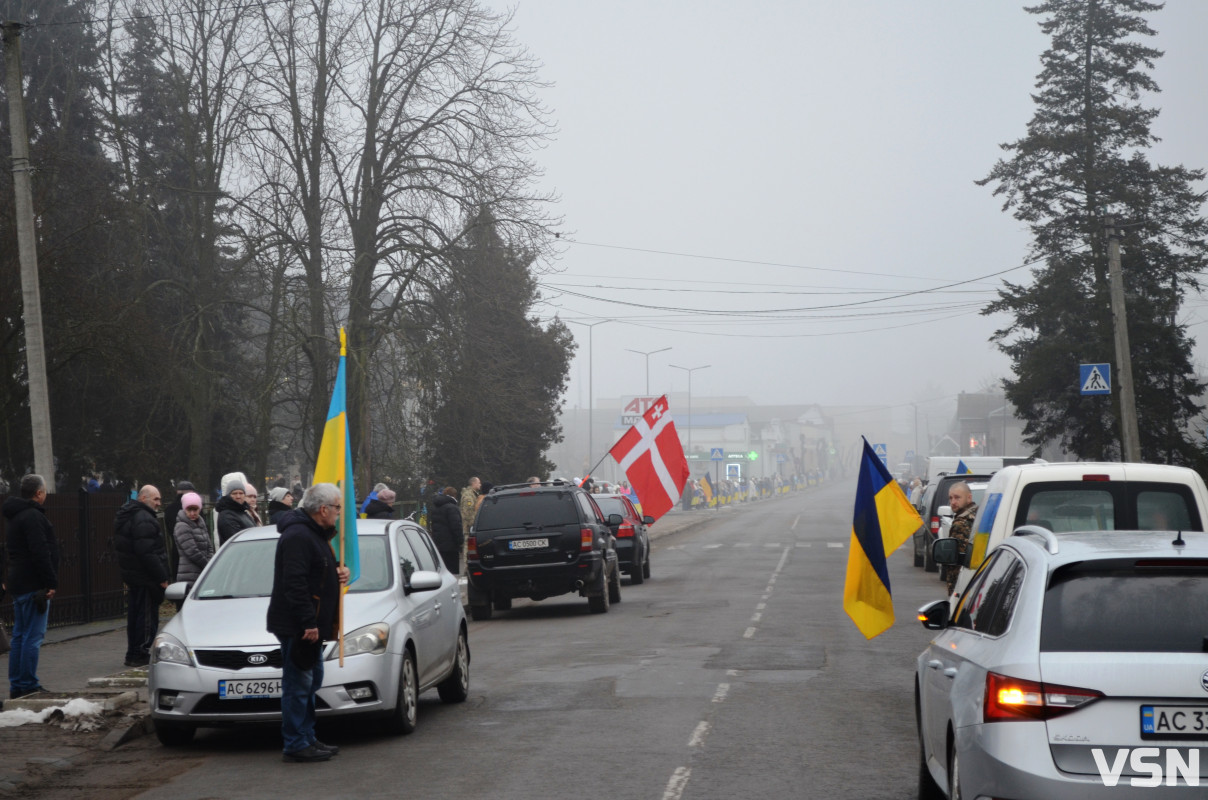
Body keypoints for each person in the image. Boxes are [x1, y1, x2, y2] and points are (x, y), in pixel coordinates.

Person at [265, 483, 350, 763]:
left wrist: (339, 572)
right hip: (298, 625)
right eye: (337, 508)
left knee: (312, 681)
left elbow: (318, 570)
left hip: (311, 624)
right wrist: (307, 622)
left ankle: (307, 736)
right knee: (298, 683)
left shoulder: (314, 534)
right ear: (323, 509)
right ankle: (296, 742)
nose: (339, 513)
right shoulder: (299, 536)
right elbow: (295, 583)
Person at [5, 474, 59, 698]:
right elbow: (40, 551)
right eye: (45, 490)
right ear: (38, 493)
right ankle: (28, 684)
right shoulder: (33, 517)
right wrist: (50, 581)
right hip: (34, 584)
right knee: (32, 636)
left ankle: (17, 684)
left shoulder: (15, 516)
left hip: (18, 581)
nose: (45, 494)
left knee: (19, 635)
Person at [114, 485, 170, 667]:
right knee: (146, 617)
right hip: (146, 577)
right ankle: (140, 652)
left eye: (159, 499)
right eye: (156, 499)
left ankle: (133, 652)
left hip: (135, 576)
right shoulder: (144, 518)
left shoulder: (129, 515)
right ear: (143, 498)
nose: (159, 503)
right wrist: (162, 576)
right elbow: (147, 552)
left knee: (135, 615)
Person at [172, 492, 214, 605]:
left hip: (202, 572)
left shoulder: (201, 523)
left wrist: (210, 560)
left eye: (195, 509)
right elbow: (192, 551)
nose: (192, 513)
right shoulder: (181, 526)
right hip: (189, 573)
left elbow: (209, 546)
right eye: (189, 510)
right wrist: (209, 566)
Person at [944, 482, 979, 596]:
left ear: (969, 497)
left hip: (961, 585)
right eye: (951, 498)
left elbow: (958, 559)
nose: (953, 502)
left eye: (957, 497)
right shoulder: (979, 514)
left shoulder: (961, 523)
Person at [429, 487, 463, 573]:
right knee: (452, 571)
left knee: (442, 571)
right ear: (454, 495)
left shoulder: (435, 507)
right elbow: (456, 526)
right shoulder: (452, 508)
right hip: (451, 545)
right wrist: (460, 541)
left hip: (439, 544)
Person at [216, 479, 256, 545]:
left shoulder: (243, 512)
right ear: (228, 495)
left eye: (241, 493)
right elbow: (237, 540)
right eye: (234, 493)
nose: (238, 496)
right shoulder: (226, 515)